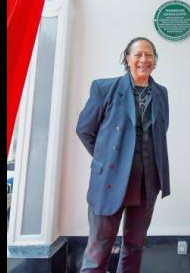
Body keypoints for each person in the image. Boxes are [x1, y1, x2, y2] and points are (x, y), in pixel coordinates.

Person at [76, 37, 170, 273]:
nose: (143, 59)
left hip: (147, 182)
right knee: (98, 251)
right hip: (109, 180)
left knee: (135, 246)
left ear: (155, 61)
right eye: (137, 54)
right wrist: (106, 160)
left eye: (149, 55)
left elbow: (161, 132)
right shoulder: (104, 88)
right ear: (127, 58)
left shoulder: (161, 93)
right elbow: (85, 129)